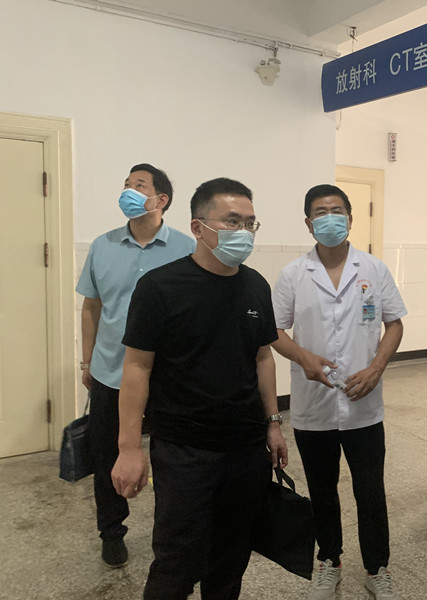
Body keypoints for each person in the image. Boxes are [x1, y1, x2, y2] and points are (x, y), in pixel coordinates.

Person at [110, 177, 288, 599]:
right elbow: (136, 367)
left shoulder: (255, 285)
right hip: (184, 451)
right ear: (198, 227)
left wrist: (273, 423)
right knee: (177, 561)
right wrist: (129, 448)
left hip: (245, 448)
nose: (243, 232)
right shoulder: (160, 287)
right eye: (232, 221)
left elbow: (262, 357)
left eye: (249, 223)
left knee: (230, 559)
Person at [271, 184, 407, 600]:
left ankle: (377, 569)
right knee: (322, 491)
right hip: (313, 405)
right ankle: (329, 561)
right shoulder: (294, 274)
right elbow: (274, 331)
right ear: (308, 223)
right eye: (320, 212)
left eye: (336, 210)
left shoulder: (374, 269)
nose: (329, 218)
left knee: (370, 491)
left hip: (364, 405)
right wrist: (304, 358)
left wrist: (376, 368)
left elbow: (394, 323)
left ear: (350, 218)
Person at [76, 163, 195, 568]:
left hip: (170, 375)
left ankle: (173, 532)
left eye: (139, 185)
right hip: (111, 371)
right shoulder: (103, 245)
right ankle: (111, 532)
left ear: (161, 200)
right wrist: (87, 361)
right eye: (126, 184)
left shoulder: (186, 248)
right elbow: (91, 308)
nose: (128, 191)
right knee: (108, 455)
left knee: (172, 459)